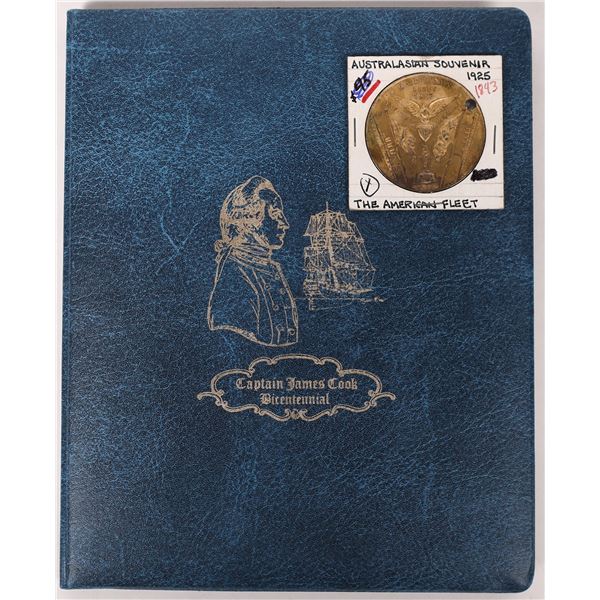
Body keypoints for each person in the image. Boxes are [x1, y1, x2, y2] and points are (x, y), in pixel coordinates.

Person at [207, 176, 299, 347]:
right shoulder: (234, 274)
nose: (285, 224)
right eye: (275, 215)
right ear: (249, 221)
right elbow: (233, 343)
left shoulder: (269, 268)